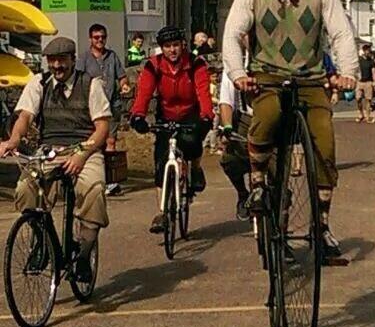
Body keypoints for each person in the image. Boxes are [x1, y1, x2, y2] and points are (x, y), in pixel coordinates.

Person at [223, 0, 359, 261]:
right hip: (267, 78)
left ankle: (321, 227)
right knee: (265, 120)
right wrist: (238, 75)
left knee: (324, 143)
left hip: (311, 79)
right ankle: (257, 186)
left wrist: (348, 73)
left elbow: (341, 34)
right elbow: (232, 35)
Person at [0, 37, 111, 283]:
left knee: (93, 189)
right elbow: (25, 117)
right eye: (52, 60)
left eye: (62, 60)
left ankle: (83, 256)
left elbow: (102, 128)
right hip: (49, 150)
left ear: (73, 59)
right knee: (26, 188)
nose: (57, 66)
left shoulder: (91, 84)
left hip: (84, 146)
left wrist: (82, 154)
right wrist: (14, 140)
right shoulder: (38, 83)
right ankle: (44, 242)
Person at [129, 26, 214, 233]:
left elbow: (203, 93)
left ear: (183, 45)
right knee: (160, 159)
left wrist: (206, 116)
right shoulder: (154, 65)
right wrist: (138, 115)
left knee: (192, 143)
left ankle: (195, 169)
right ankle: (162, 212)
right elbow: (144, 93)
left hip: (190, 113)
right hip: (165, 115)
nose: (172, 50)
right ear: (162, 48)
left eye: (176, 45)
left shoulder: (195, 64)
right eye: (167, 46)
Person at [77, 23, 130, 195]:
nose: (100, 40)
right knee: (93, 142)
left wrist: (124, 85)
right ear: (90, 39)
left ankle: (109, 181)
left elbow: (122, 76)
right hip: (91, 109)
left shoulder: (112, 56)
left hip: (111, 106)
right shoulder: (84, 59)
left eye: (103, 37)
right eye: (96, 37)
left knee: (110, 142)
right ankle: (91, 179)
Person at [219, 70, 252, 221]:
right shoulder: (233, 64)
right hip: (246, 118)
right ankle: (242, 193)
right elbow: (226, 101)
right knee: (229, 160)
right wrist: (227, 126)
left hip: (273, 119)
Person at [356, 43, 375, 123]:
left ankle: (367, 116)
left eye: (369, 51)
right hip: (360, 81)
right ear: (364, 51)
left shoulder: (371, 61)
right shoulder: (359, 60)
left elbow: (373, 72)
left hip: (368, 82)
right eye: (367, 51)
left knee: (368, 100)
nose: (368, 52)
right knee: (358, 98)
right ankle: (360, 113)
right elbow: (356, 70)